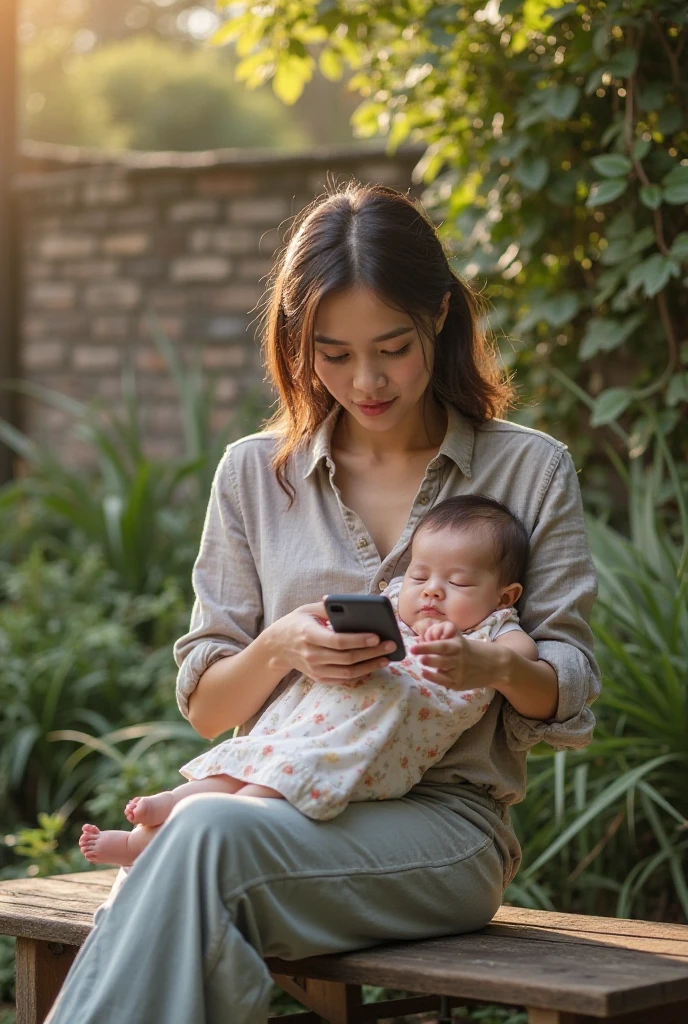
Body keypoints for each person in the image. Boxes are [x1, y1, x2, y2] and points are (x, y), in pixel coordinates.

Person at [45, 181, 600, 1024]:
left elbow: (571, 686)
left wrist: (490, 662)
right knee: (199, 860)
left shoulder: (528, 469)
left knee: (195, 848)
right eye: (332, 355)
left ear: (441, 317)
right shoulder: (251, 476)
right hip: (268, 809)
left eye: (393, 347)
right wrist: (280, 649)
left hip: (442, 830)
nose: (366, 380)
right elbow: (204, 705)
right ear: (297, 345)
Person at [78, 494, 538, 864]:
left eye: (457, 583)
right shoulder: (396, 603)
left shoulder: (495, 629)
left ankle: (165, 835)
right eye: (420, 574)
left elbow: (523, 662)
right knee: (245, 766)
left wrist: (474, 656)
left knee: (270, 790)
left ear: (504, 595)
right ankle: (166, 809)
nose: (432, 590)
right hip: (306, 720)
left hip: (359, 747)